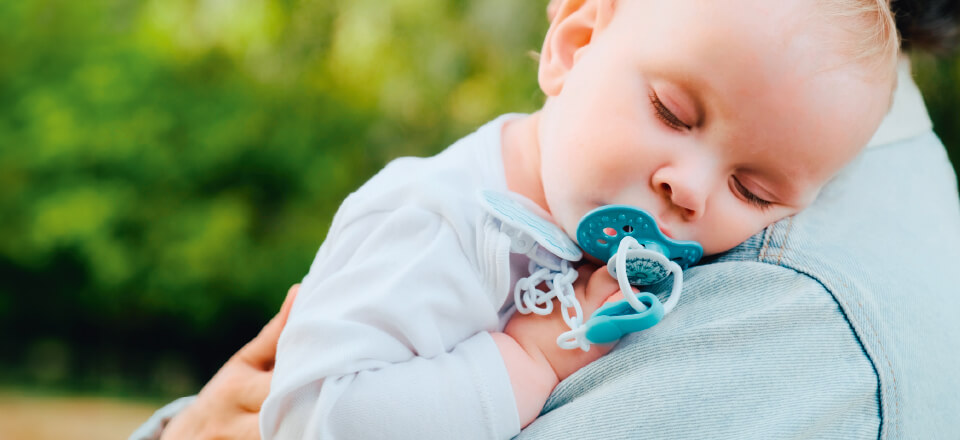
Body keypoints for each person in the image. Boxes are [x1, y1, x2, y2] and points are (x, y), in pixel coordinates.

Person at [133, 0, 960, 439]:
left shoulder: (799, 307)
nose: (691, 191)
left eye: (754, 190)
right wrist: (530, 359)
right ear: (572, 42)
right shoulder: (436, 224)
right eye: (674, 113)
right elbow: (324, 423)